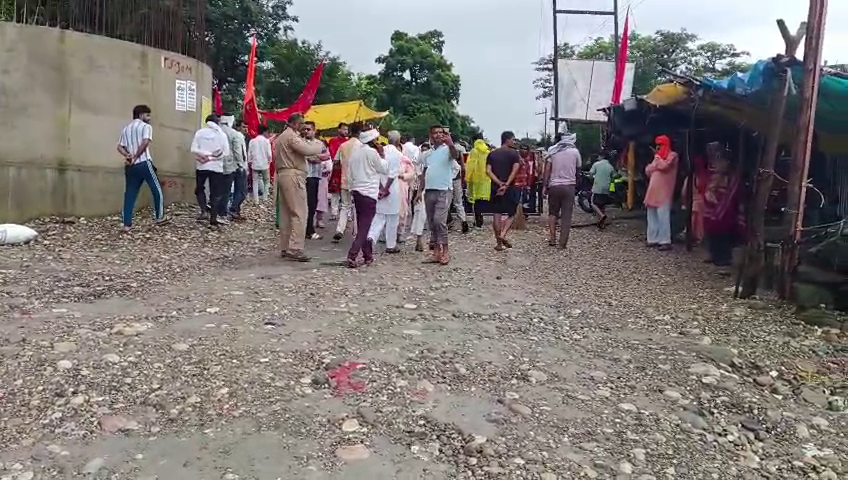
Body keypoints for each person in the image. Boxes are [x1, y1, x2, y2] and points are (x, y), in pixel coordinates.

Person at [274, 113, 329, 261]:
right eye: (301, 125)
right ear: (295, 124)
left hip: (283, 175)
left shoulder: (281, 137)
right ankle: (295, 248)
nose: (303, 128)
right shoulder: (292, 137)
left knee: (286, 213)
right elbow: (308, 150)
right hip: (293, 176)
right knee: (300, 213)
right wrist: (319, 145)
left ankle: (285, 246)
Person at [117, 104, 168, 232]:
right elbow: (145, 142)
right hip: (144, 162)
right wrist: (136, 156)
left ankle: (127, 224)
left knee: (130, 194)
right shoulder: (146, 127)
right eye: (147, 115)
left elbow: (119, 147)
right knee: (157, 189)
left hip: (130, 166)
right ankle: (160, 217)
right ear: (141, 115)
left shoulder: (126, 129)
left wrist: (128, 155)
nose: (149, 118)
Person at [346, 129, 389, 267]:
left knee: (363, 225)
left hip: (357, 191)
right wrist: (382, 155)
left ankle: (367, 255)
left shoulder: (355, 153)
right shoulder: (372, 153)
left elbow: (350, 174)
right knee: (365, 227)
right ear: (373, 141)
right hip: (369, 193)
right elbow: (384, 169)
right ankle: (352, 254)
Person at [417, 125, 459, 264]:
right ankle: (436, 252)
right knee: (431, 222)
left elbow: (455, 155)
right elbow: (424, 173)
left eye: (441, 132)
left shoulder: (448, 150)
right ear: (430, 135)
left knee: (439, 220)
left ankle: (445, 251)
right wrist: (419, 191)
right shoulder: (427, 154)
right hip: (429, 190)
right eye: (435, 133)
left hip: (444, 190)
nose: (439, 135)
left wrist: (450, 143)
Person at [703, 143, 742, 266]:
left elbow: (731, 195)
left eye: (720, 161)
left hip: (725, 209)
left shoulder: (732, 178)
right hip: (711, 208)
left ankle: (724, 258)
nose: (715, 164)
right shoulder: (713, 175)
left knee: (723, 233)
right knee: (712, 232)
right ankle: (714, 254)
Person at [543, 131, 581, 248]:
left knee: (552, 213)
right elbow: (578, 170)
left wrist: (544, 186)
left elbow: (547, 170)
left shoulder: (552, 150)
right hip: (569, 186)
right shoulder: (575, 152)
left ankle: (552, 238)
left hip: (554, 186)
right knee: (566, 216)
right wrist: (576, 184)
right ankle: (562, 243)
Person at [191, 114, 231, 227]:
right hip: (216, 167)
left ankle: (204, 211)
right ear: (217, 122)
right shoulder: (222, 135)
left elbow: (193, 149)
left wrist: (204, 156)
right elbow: (226, 152)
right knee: (216, 193)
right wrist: (212, 157)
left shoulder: (199, 133)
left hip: (201, 166)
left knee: (200, 189)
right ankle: (213, 217)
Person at [368, 131, 404, 253]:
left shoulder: (380, 151)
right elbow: (393, 174)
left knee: (379, 216)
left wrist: (380, 188)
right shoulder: (398, 154)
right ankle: (391, 245)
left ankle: (371, 239)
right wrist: (386, 189)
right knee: (393, 217)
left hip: (378, 186)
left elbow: (376, 171)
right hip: (391, 188)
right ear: (398, 140)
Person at [486, 131, 522, 251]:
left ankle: (499, 244)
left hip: (495, 187)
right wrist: (506, 184)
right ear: (507, 140)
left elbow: (488, 171)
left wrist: (498, 183)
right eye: (513, 139)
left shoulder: (492, 154)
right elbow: (515, 170)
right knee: (512, 213)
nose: (514, 142)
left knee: (496, 214)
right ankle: (503, 234)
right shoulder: (514, 154)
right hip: (509, 187)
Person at [645, 135, 679, 251]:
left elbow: (665, 166)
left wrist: (657, 158)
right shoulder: (658, 158)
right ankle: (652, 239)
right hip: (653, 190)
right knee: (651, 215)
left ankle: (665, 241)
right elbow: (648, 170)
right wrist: (656, 162)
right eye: (657, 145)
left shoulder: (673, 155)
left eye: (660, 145)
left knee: (663, 216)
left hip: (664, 191)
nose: (658, 147)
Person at [333, 122, 364, 243]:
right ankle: (356, 232)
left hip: (345, 180)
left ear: (350, 132)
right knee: (357, 207)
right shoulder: (362, 146)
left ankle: (340, 229)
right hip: (358, 181)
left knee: (345, 206)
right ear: (360, 133)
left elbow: (336, 162)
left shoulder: (343, 146)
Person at [302, 121, 327, 240]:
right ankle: (307, 230)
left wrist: (316, 157)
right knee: (306, 204)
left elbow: (327, 155)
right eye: (305, 129)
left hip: (316, 176)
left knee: (313, 204)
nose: (306, 131)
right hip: (304, 176)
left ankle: (309, 229)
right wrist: (311, 157)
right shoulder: (301, 143)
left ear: (314, 131)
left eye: (309, 129)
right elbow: (304, 156)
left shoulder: (319, 143)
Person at [681, 152, 709, 245]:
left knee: (693, 220)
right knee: (700, 223)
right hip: (704, 201)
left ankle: (691, 236)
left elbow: (684, 192)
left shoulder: (690, 178)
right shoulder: (707, 177)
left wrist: (684, 203)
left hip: (693, 201)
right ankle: (700, 239)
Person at [465, 135, 491, 228]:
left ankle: (478, 221)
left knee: (475, 201)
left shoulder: (474, 151)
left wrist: (467, 178)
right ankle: (480, 220)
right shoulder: (488, 152)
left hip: (475, 180)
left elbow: (470, 165)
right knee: (482, 200)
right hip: (486, 180)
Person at [410, 141, 431, 251]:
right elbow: (421, 178)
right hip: (421, 190)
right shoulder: (418, 163)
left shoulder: (433, 162)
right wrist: (418, 192)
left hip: (435, 190)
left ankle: (433, 240)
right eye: (423, 150)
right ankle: (419, 240)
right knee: (420, 215)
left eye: (426, 150)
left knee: (434, 217)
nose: (424, 153)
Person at [328, 123, 350, 220]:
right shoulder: (333, 141)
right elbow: (333, 154)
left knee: (347, 192)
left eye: (347, 129)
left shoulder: (349, 142)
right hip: (337, 169)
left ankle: (348, 214)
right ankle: (334, 212)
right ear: (339, 130)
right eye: (344, 129)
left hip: (346, 169)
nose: (346, 131)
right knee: (335, 193)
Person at [448, 134, 469, 233]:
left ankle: (448, 221)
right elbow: (464, 167)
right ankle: (463, 220)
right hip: (457, 178)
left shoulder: (445, 149)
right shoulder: (461, 149)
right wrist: (464, 179)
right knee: (458, 202)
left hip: (446, 178)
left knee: (446, 202)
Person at [588, 150, 615, 228]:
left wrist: (592, 180)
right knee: (602, 205)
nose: (598, 157)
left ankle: (601, 215)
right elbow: (613, 176)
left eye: (599, 156)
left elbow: (590, 174)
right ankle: (601, 223)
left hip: (597, 186)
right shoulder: (610, 166)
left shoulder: (596, 164)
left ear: (602, 156)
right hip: (606, 187)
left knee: (593, 203)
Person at [249, 125, 273, 203]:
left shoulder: (252, 141)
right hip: (264, 164)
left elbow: (249, 153)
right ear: (264, 132)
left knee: (255, 181)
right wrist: (269, 161)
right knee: (266, 181)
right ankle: (265, 197)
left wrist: (250, 161)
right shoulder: (266, 141)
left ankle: (256, 199)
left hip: (255, 164)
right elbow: (269, 154)